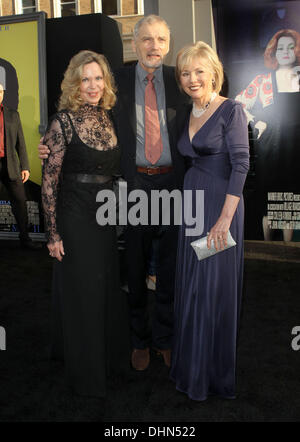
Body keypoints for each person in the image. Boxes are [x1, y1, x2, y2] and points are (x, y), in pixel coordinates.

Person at [39, 15, 189, 372]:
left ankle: (164, 339)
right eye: (147, 39)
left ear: (168, 44)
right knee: (133, 269)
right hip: (133, 187)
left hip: (172, 185)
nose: (154, 47)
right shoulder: (115, 82)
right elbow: (79, 117)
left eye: (161, 40)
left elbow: (208, 95)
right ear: (134, 44)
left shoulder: (179, 80)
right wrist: (48, 145)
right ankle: (138, 339)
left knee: (168, 269)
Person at [41, 50, 129, 398]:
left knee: (104, 288)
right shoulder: (61, 121)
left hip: (106, 216)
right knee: (84, 293)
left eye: (98, 78)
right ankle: (86, 375)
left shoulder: (110, 118)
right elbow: (49, 181)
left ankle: (107, 359)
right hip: (75, 215)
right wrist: (52, 234)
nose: (93, 85)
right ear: (75, 84)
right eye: (86, 79)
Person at [170, 41, 249, 401]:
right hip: (192, 204)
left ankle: (211, 376)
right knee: (192, 286)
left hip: (221, 206)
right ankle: (191, 368)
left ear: (214, 73)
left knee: (212, 287)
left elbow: (241, 166)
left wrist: (223, 221)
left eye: (199, 71)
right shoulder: (186, 112)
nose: (192, 78)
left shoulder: (231, 110)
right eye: (185, 73)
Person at [235, 29, 300, 241]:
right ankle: (267, 251)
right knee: (268, 200)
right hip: (270, 148)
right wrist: (255, 121)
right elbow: (238, 103)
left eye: (291, 47)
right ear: (273, 52)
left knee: (290, 201)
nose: (285, 52)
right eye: (280, 48)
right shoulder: (263, 80)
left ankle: (288, 254)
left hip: (295, 150)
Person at [0, 83, 41, 250]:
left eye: (0, 92)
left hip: (10, 164)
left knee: (20, 201)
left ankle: (25, 239)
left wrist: (25, 166)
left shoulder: (12, 115)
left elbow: (21, 143)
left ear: (3, 93)